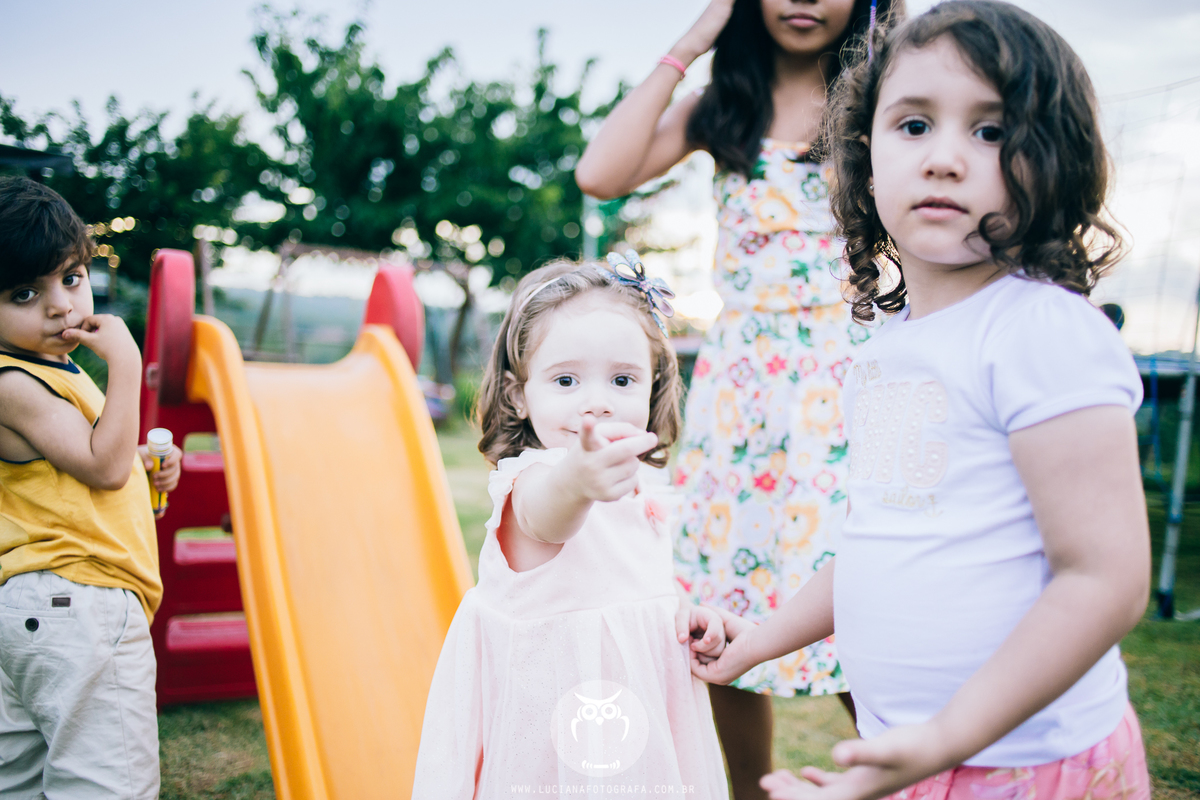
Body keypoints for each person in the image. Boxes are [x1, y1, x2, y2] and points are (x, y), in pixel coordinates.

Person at [692, 3, 1153, 799]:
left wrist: (943, 739)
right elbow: (877, 537)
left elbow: (1104, 579)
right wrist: (758, 641)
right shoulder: (884, 344)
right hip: (916, 757)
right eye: (913, 125)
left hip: (1029, 766)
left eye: (991, 130)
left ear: (1057, 162)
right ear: (862, 160)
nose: (944, 158)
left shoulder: (1040, 331)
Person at [576, 2, 903, 794]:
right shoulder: (726, 107)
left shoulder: (888, 93)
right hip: (741, 389)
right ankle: (749, 790)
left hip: (849, 375)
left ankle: (912, 777)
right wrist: (693, 42)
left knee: (862, 599)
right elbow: (600, 174)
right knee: (726, 600)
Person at [413, 255, 730, 797]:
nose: (597, 404)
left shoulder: (641, 484)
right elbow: (549, 515)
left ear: (652, 387)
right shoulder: (533, 482)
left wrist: (680, 611)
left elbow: (634, 582)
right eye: (565, 379)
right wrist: (578, 480)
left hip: (638, 706)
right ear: (518, 394)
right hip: (556, 718)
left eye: (622, 379)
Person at [0, 176, 182, 798]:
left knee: (19, 780)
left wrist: (141, 466)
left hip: (34, 610)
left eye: (70, 278)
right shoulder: (13, 383)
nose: (60, 306)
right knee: (108, 783)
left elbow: (91, 465)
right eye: (25, 292)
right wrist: (127, 363)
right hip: (76, 603)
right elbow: (102, 469)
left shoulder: (42, 373)